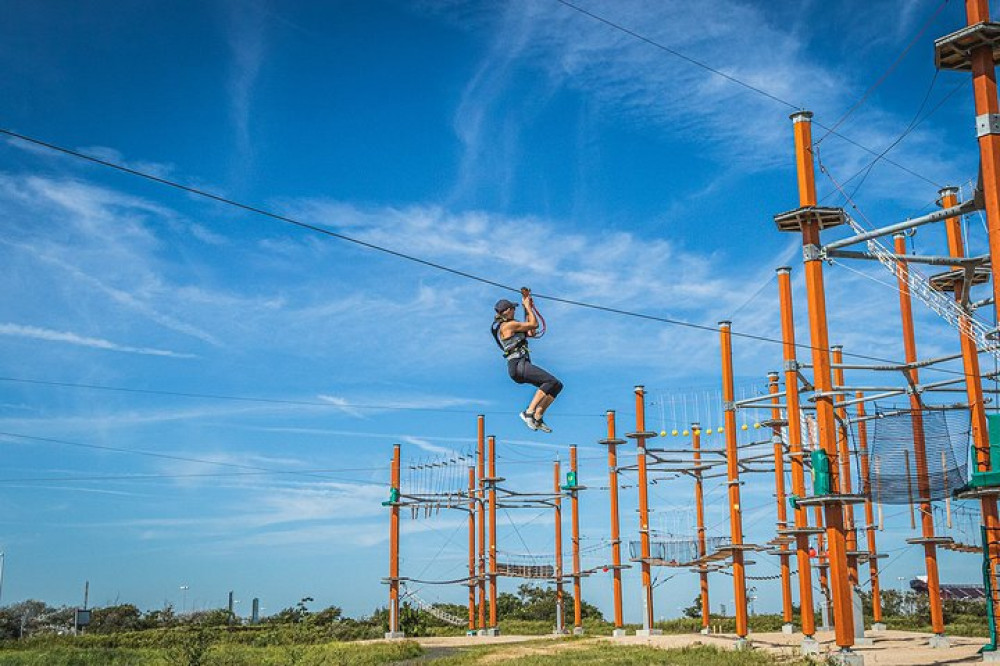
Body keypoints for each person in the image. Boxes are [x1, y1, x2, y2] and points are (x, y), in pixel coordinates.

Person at [491, 292, 563, 433]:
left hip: (521, 365)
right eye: (513, 308)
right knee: (549, 381)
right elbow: (534, 324)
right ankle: (528, 412)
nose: (515, 310)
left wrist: (526, 308)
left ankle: (538, 417)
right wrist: (528, 307)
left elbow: (532, 332)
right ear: (508, 311)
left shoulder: (513, 325)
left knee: (557, 385)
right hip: (518, 365)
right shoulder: (508, 326)